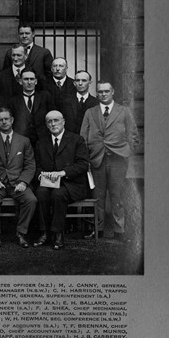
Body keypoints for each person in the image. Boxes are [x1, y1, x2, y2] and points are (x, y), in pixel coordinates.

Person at [79, 81, 139, 240]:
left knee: (117, 195)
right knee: (97, 196)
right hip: (97, 159)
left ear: (113, 92)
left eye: (106, 91)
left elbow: (133, 135)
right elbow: (83, 137)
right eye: (100, 92)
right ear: (97, 93)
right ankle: (97, 230)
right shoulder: (90, 112)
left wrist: (127, 151)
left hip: (118, 159)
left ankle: (119, 230)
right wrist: (88, 155)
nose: (103, 94)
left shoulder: (124, 111)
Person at [34, 111, 90, 249]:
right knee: (41, 193)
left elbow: (83, 164)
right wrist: (41, 175)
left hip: (72, 184)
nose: (53, 124)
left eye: (56, 120)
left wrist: (63, 173)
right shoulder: (41, 142)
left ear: (63, 121)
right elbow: (36, 165)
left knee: (58, 194)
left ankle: (58, 234)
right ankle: (44, 233)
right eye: (49, 122)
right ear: (46, 125)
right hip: (49, 183)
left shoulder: (77, 140)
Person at [0, 107, 38, 248]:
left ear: (12, 120)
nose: (4, 122)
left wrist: (23, 182)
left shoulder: (24, 141)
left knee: (31, 200)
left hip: (17, 182)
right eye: (0, 120)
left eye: (6, 119)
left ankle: (21, 233)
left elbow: (30, 165)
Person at [9, 70, 55, 149]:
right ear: (20, 81)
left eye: (32, 79)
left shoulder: (45, 97)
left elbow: (53, 116)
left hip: (43, 142)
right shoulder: (13, 101)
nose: (29, 82)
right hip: (22, 143)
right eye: (26, 79)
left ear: (36, 81)